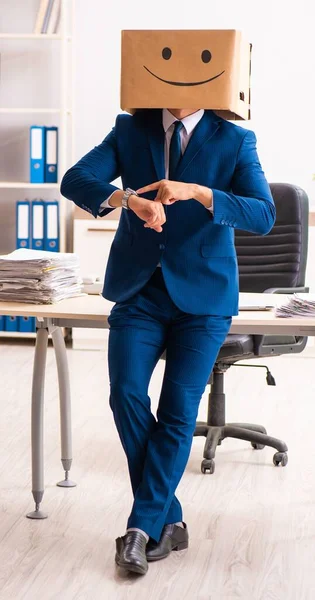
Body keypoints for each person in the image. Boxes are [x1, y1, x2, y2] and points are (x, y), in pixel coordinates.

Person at [60, 106, 275, 576]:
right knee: (126, 395)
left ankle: (139, 528)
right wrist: (125, 200)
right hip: (140, 292)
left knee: (178, 411)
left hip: (204, 300)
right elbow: (75, 180)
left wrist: (201, 193)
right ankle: (169, 517)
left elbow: (263, 215)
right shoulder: (129, 127)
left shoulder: (234, 139)